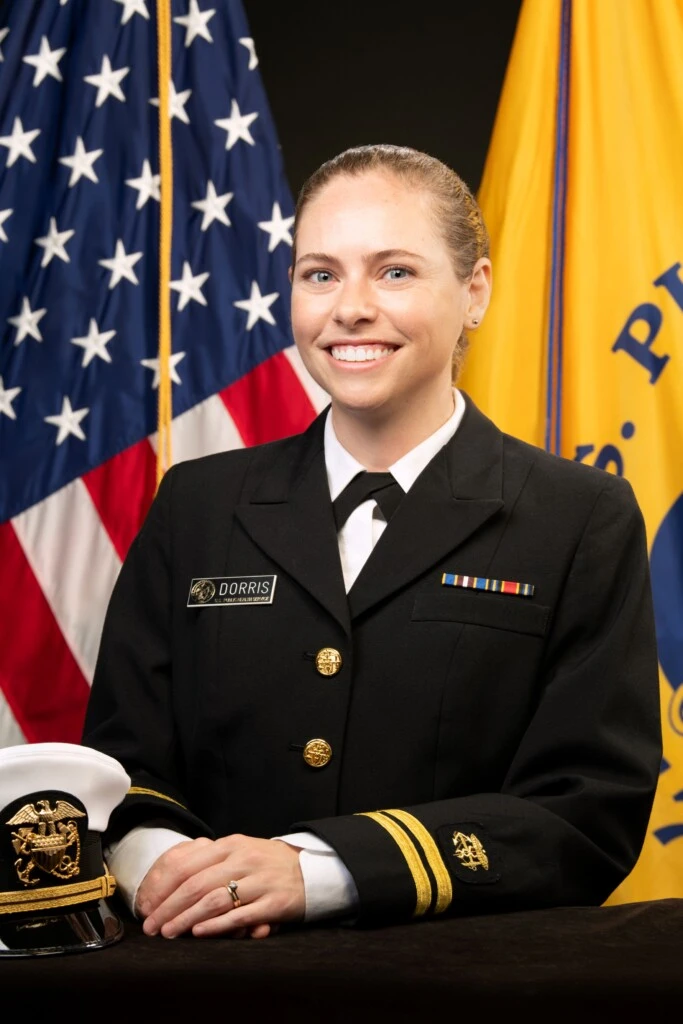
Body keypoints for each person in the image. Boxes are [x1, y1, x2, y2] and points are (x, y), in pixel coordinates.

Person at [82, 144, 662, 942]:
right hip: (209, 977)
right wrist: (171, 879)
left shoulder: (576, 519)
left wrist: (318, 871)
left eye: (393, 272)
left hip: (460, 991)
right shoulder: (197, 506)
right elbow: (121, 768)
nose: (349, 308)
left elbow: (586, 812)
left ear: (474, 292)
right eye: (320, 274)